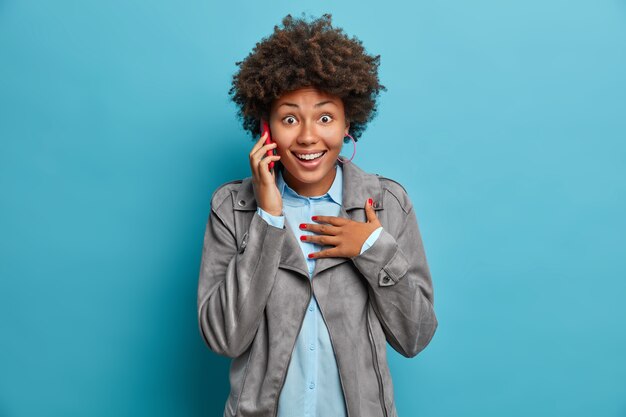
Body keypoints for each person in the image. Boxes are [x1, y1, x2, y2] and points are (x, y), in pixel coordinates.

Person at [197, 13, 438, 417]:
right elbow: (224, 338)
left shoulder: (387, 204)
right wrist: (269, 220)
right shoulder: (233, 208)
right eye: (289, 118)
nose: (308, 136)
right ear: (266, 127)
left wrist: (372, 247)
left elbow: (415, 336)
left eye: (325, 117)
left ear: (348, 123)